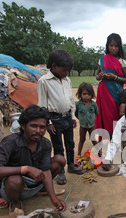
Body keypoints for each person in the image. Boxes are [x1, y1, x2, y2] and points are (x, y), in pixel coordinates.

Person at [0, 105, 67, 216]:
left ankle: (41, 190)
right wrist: (25, 169)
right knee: (15, 180)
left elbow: (46, 170)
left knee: (59, 160)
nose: (38, 131)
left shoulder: (45, 143)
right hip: (13, 187)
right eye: (33, 126)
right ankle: (15, 202)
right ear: (23, 126)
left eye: (42, 127)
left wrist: (54, 199)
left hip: (35, 180)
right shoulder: (10, 142)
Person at [37, 49, 83, 187]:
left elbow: (70, 98)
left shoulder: (67, 80)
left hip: (67, 117)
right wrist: (48, 122)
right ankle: (61, 171)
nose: (66, 73)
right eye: (64, 70)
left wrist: (73, 115)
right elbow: (42, 104)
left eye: (68, 70)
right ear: (54, 66)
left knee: (70, 143)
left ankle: (71, 165)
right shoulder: (44, 81)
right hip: (54, 120)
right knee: (58, 146)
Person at [95, 33, 126, 137]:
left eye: (116, 46)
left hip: (116, 94)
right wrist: (100, 76)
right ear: (107, 46)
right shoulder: (102, 59)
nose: (113, 48)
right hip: (104, 93)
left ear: (119, 47)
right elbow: (97, 77)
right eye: (111, 45)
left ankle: (116, 138)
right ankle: (107, 139)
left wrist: (115, 77)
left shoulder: (122, 61)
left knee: (116, 116)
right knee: (105, 117)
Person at [75, 82, 99, 159]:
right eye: (84, 94)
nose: (86, 96)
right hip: (82, 126)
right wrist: (81, 119)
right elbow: (76, 113)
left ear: (92, 95)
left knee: (94, 140)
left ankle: (99, 152)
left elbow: (96, 113)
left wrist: (90, 119)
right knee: (82, 139)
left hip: (92, 126)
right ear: (80, 94)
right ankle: (79, 154)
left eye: (89, 94)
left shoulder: (94, 105)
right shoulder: (78, 104)